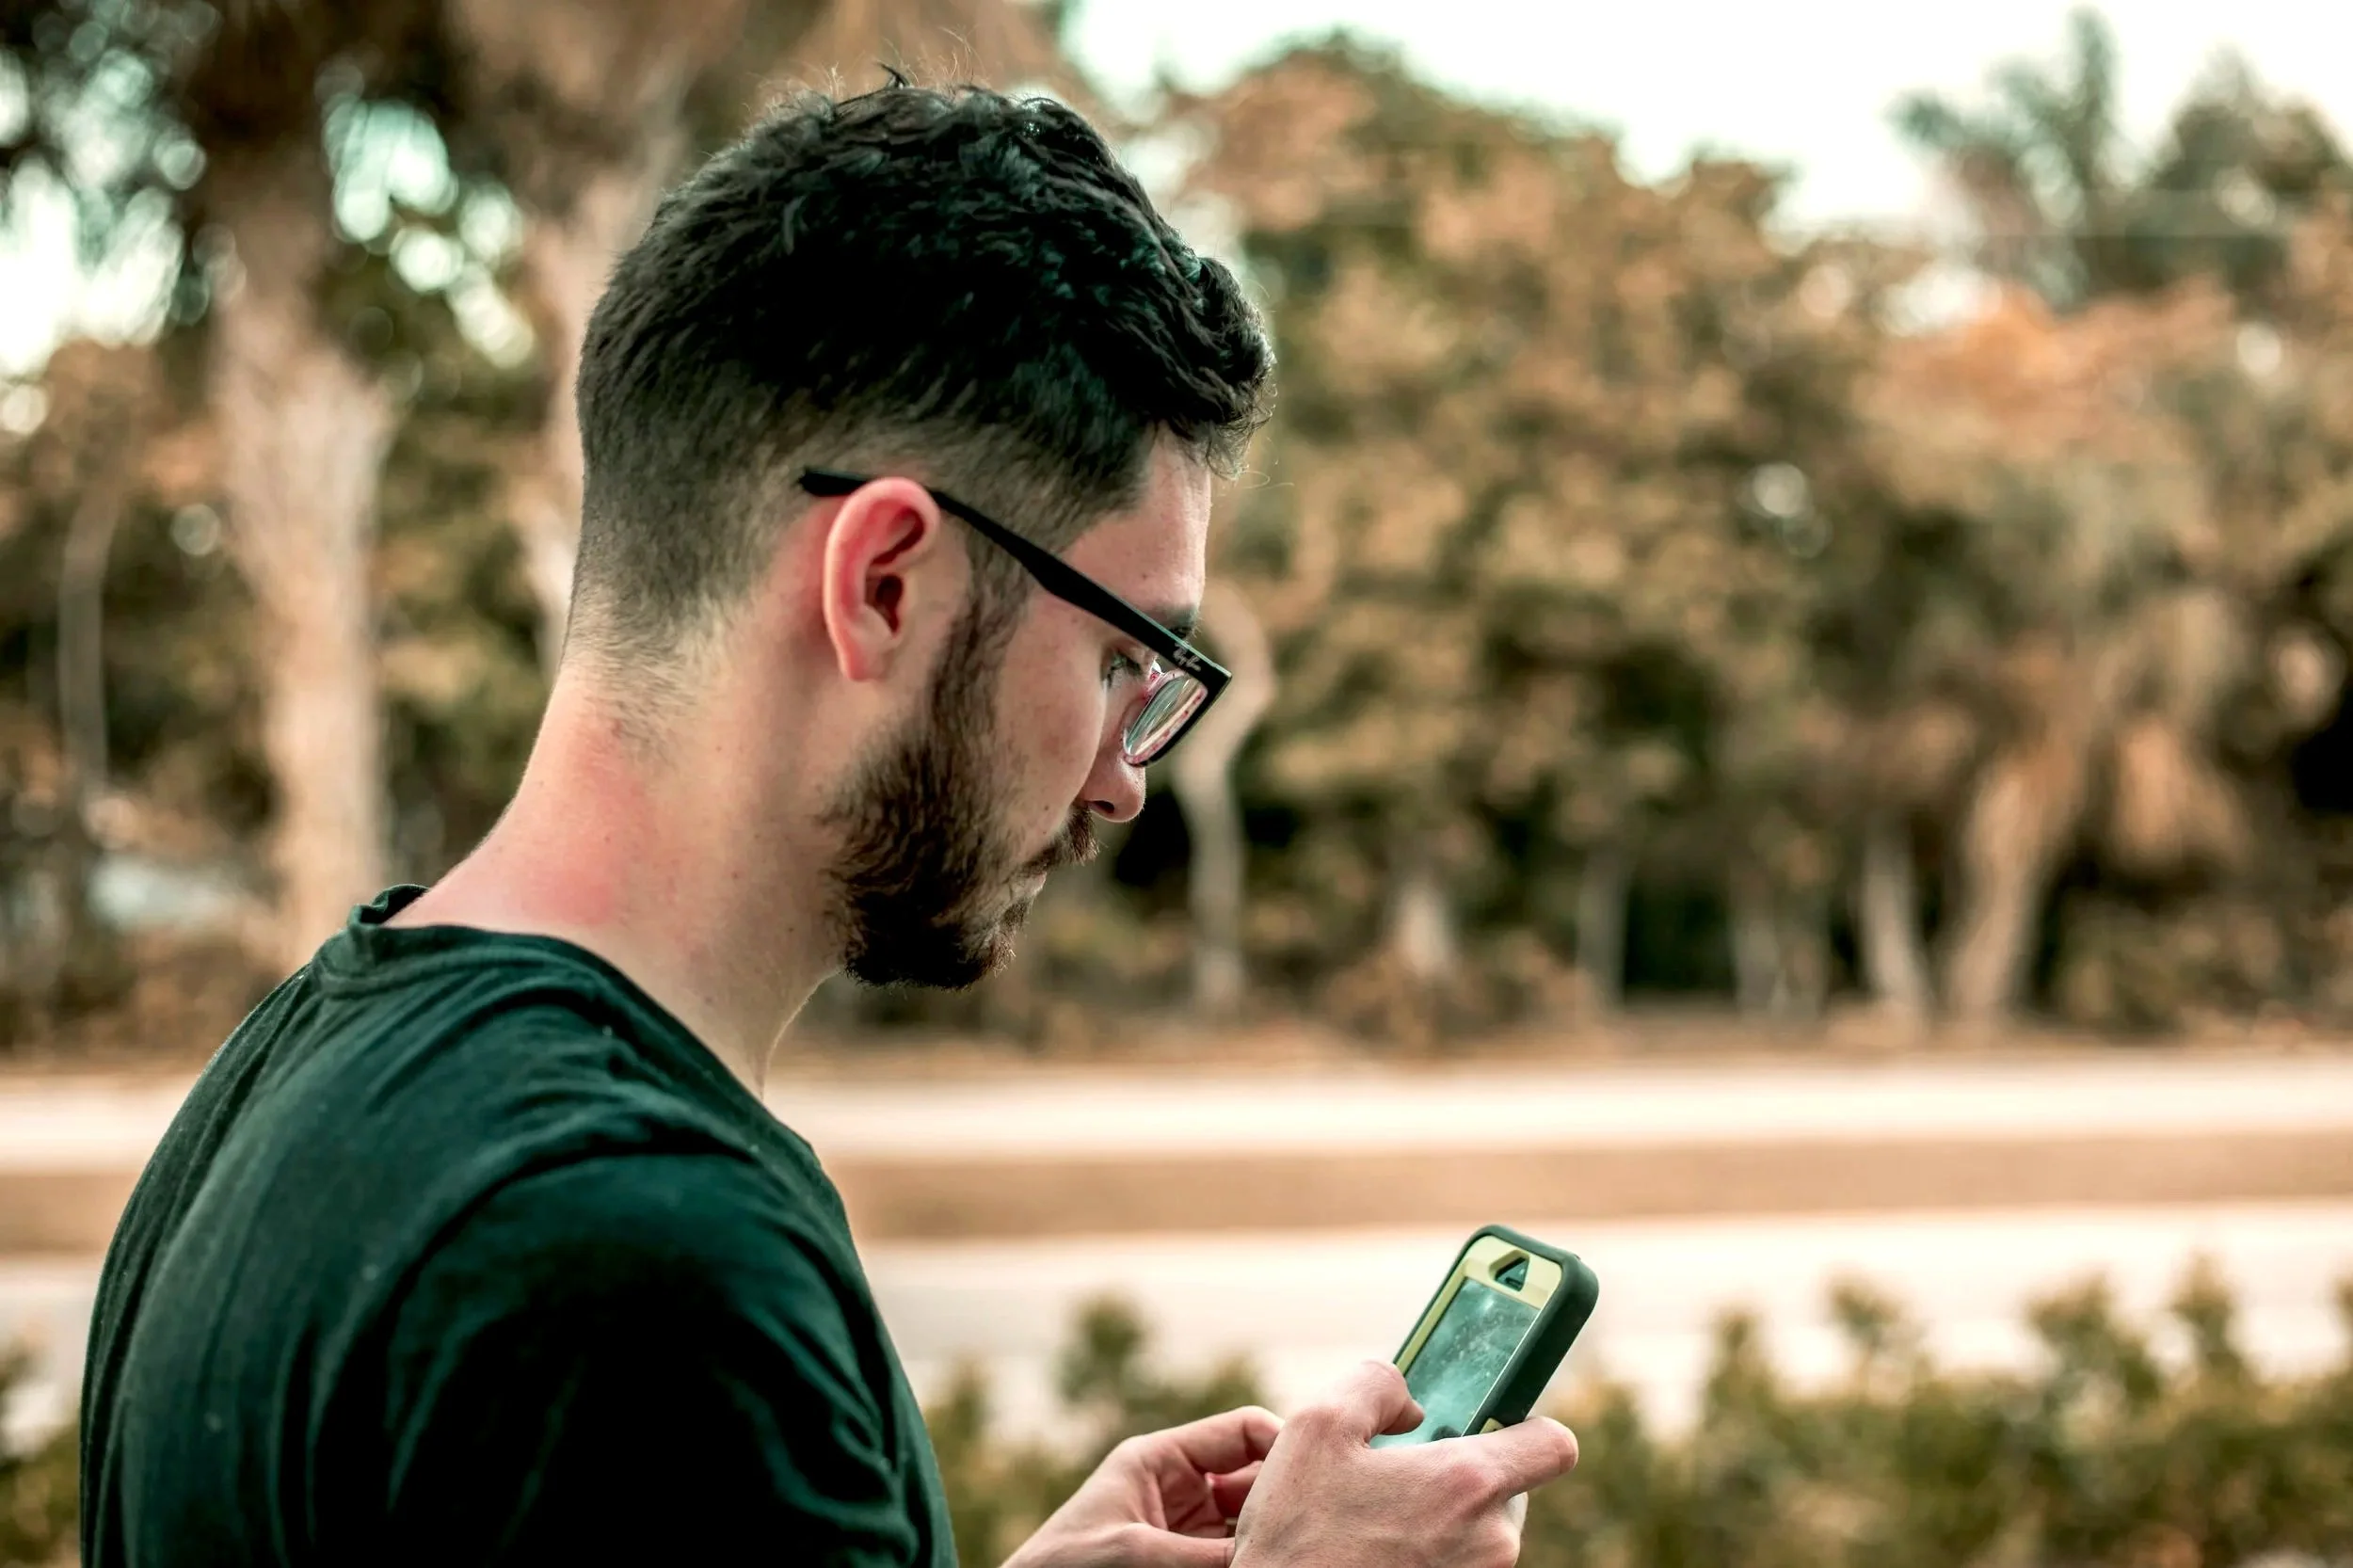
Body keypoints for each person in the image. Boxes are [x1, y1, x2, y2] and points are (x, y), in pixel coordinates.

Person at [79, 80, 1580, 1566]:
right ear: (885, 584)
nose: (1125, 777)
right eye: (1126, 655)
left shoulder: (306, 1065)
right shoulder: (647, 1265)